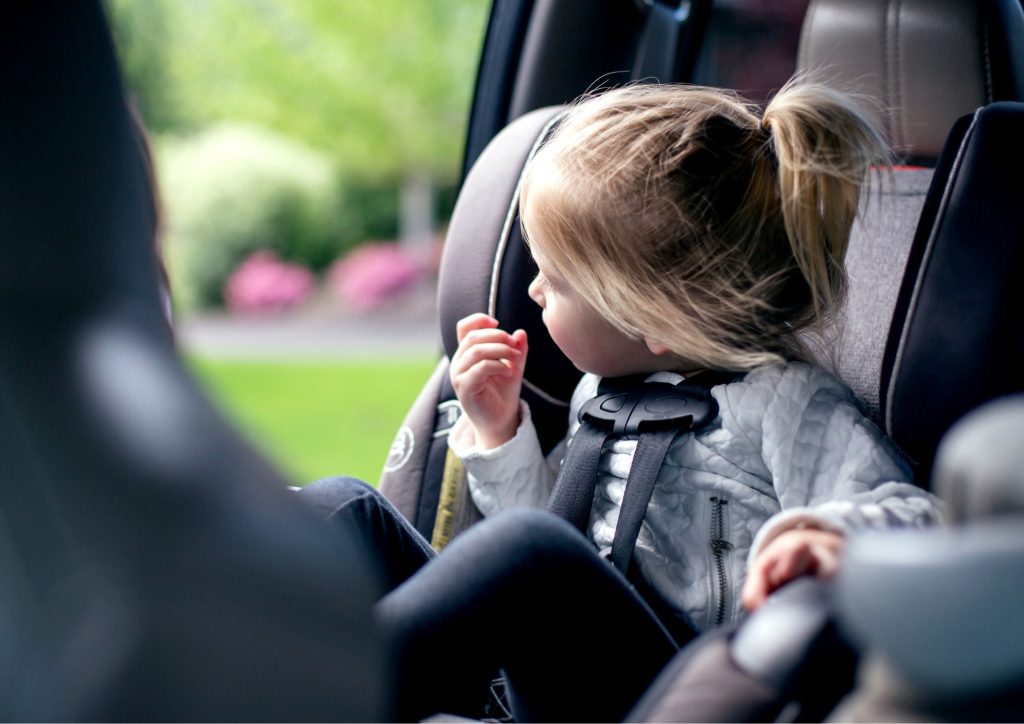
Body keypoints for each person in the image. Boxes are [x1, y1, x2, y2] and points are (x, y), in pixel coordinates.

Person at [304, 79, 940, 722]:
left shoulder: (786, 408)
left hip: (670, 697)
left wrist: (832, 532)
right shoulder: (602, 396)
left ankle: (301, 699)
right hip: (553, 687)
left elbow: (919, 514)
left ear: (657, 318)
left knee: (527, 553)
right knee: (346, 504)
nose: (534, 292)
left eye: (556, 278)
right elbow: (555, 532)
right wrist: (500, 434)